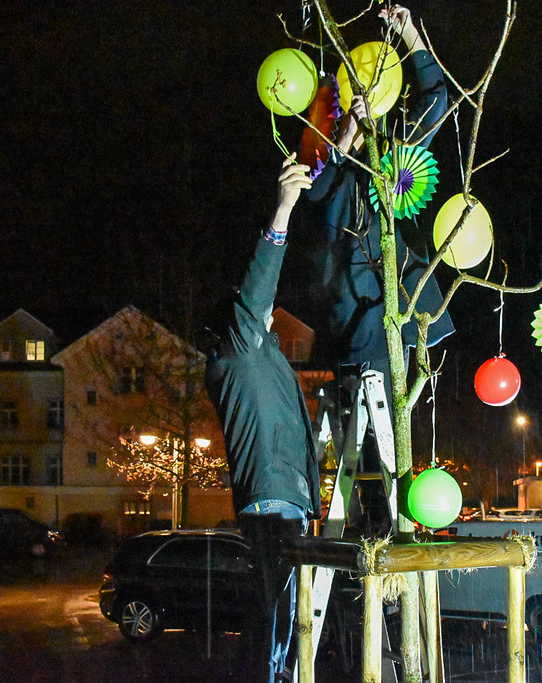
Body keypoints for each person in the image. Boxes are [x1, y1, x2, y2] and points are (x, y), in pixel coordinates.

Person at [204, 159, 320, 683]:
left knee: (286, 631)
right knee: (279, 634)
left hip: (280, 503)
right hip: (272, 508)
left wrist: (338, 145)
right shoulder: (238, 351)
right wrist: (282, 212)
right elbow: (258, 286)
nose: (270, 310)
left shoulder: (257, 357)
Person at [305, 4, 454, 389]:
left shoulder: (395, 156)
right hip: (348, 314)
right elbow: (314, 191)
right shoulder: (327, 158)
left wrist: (410, 35)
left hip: (395, 307)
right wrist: (347, 134)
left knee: (389, 430)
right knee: (353, 432)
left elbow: (437, 102)